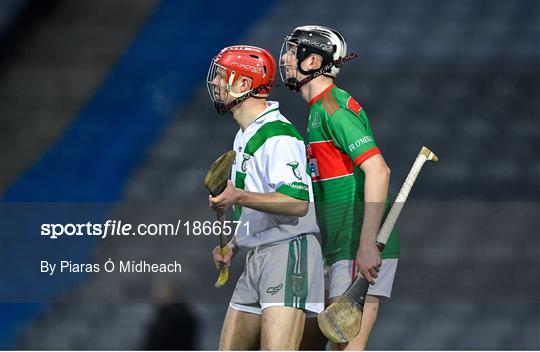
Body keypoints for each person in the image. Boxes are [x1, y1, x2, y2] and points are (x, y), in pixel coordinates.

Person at [279, 25, 400, 350]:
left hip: (358, 248)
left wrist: (366, 246)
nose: (287, 58)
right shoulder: (319, 109)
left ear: (313, 59)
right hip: (340, 247)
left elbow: (378, 170)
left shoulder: (333, 107)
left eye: (293, 51)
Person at [206, 45, 324, 350]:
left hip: (287, 251)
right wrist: (232, 245)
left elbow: (297, 203)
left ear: (244, 84)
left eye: (222, 75)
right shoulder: (245, 133)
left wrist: (237, 195)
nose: (216, 82)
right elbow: (257, 206)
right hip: (258, 254)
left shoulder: (278, 136)